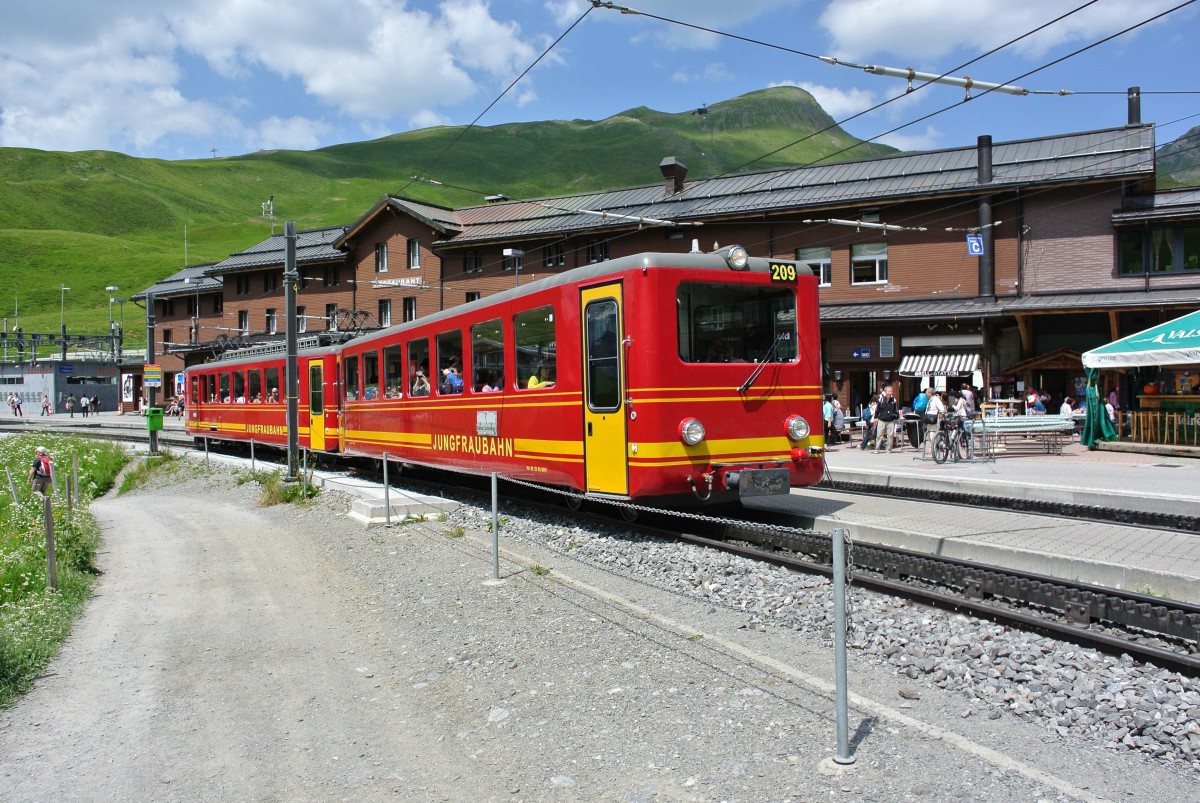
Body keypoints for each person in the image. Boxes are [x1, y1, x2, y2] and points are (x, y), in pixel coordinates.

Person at [873, 384, 900, 453]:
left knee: (890, 436)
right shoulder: (881, 399)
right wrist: (875, 417)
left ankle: (888, 449)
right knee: (879, 435)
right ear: (885, 392)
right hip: (881, 419)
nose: (890, 393)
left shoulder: (893, 400)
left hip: (890, 420)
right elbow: (877, 409)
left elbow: (896, 410)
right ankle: (877, 449)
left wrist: (897, 418)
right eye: (889, 391)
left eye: (891, 391)